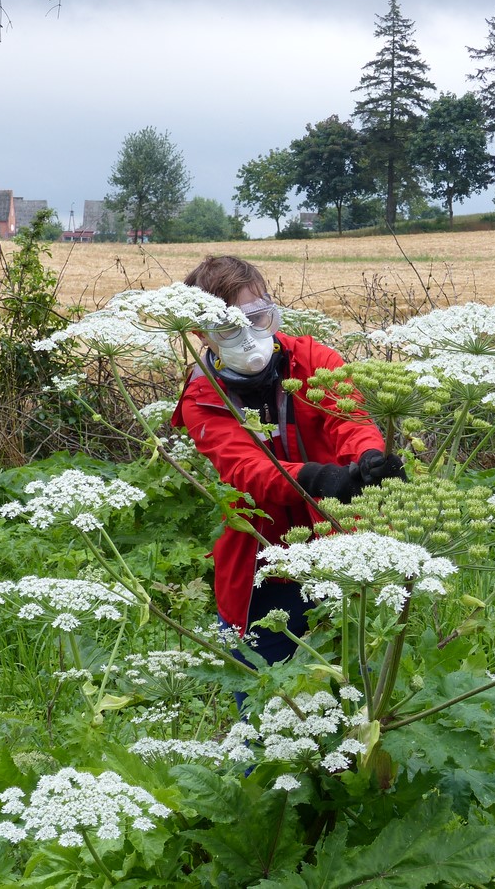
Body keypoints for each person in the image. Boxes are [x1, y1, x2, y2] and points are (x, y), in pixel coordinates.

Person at [171, 255, 404, 667]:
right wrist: (320, 478)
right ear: (200, 335)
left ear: (272, 312)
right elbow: (246, 469)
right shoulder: (201, 397)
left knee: (352, 681)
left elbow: (348, 418)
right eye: (227, 328)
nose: (247, 336)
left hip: (339, 553)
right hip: (260, 564)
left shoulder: (313, 358)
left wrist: (367, 460)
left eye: (258, 318)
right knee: (262, 698)